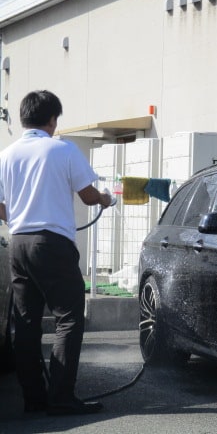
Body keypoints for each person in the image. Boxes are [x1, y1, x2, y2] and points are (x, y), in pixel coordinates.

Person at [0, 90, 114, 416]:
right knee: (68, 319)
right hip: (52, 245)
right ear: (52, 120)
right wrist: (107, 198)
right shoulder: (62, 149)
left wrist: (20, 217)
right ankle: (61, 398)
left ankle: (34, 400)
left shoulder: (6, 155)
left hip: (18, 243)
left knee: (26, 324)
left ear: (24, 118)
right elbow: (89, 195)